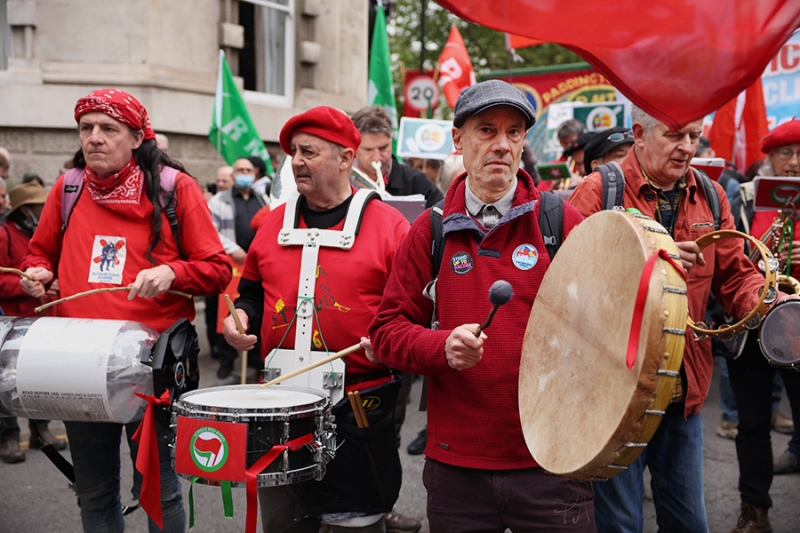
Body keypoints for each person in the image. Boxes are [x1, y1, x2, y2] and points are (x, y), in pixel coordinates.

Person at [369, 79, 593, 533]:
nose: (501, 145)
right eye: (487, 130)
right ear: (459, 140)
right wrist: (441, 347)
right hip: (458, 468)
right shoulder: (429, 231)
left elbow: (604, 323)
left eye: (514, 133)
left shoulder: (560, 219)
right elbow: (386, 331)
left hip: (550, 461)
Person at [20, 88, 231, 533]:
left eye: (108, 129)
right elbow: (38, 254)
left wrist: (172, 274)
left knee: (160, 493)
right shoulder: (68, 187)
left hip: (150, 369)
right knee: (93, 492)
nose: (94, 138)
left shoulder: (176, 188)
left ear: (136, 137)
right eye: (86, 128)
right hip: (77, 364)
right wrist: (35, 273)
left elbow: (216, 270)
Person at [569, 104, 781, 533]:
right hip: (614, 392)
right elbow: (568, 290)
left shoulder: (710, 191)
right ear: (640, 134)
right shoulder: (597, 190)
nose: (687, 148)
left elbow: (736, 275)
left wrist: (768, 300)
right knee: (620, 524)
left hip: (684, 388)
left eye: (694, 137)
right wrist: (645, 259)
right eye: (675, 136)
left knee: (689, 523)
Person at [222, 106, 413, 533]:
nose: (296, 161)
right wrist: (240, 321)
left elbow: (413, 309)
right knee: (283, 522)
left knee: (356, 522)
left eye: (309, 152)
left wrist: (393, 338)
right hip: (278, 408)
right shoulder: (272, 226)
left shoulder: (390, 226)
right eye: (293, 152)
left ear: (346, 158)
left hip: (357, 409)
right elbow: (250, 295)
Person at [721, 119, 800, 532]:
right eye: (785, 154)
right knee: (751, 423)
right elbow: (730, 261)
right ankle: (755, 509)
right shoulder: (746, 196)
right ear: (769, 158)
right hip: (753, 326)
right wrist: (769, 250)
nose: (793, 162)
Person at [0, 182, 68, 464]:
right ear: (26, 209)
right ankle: (8, 436)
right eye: (38, 205)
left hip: (39, 320)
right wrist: (26, 283)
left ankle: (40, 429)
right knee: (7, 381)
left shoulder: (36, 232)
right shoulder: (4, 234)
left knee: (36, 377)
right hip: (13, 320)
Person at [208, 156, 269, 379]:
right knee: (228, 314)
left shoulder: (263, 199)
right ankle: (226, 363)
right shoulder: (219, 201)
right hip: (230, 266)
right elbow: (211, 231)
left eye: (248, 170)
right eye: (239, 170)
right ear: (233, 176)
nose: (244, 173)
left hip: (255, 266)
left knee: (251, 310)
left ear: (254, 174)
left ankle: (255, 362)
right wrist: (233, 249)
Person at [351, 106, 444, 208]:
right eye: (368, 150)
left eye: (383, 148)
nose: (377, 158)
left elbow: (443, 217)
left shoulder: (417, 182)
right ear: (355, 147)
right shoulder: (344, 182)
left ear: (391, 140)